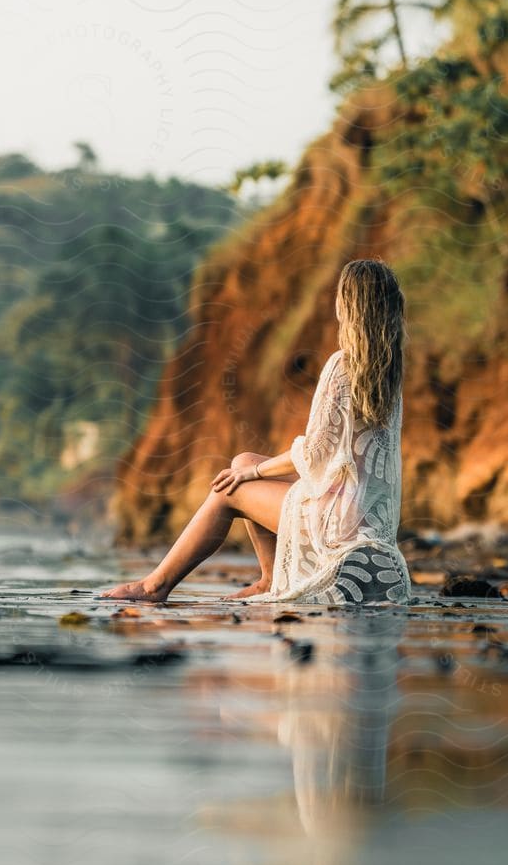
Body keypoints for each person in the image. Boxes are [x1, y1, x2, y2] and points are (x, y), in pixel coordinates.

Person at [101, 258, 412, 607]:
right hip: (369, 526)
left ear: (348, 307)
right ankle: (268, 580)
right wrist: (249, 466)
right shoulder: (389, 372)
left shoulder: (341, 366)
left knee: (230, 490)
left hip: (337, 529)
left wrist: (253, 473)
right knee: (242, 460)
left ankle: (154, 585)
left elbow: (313, 455)